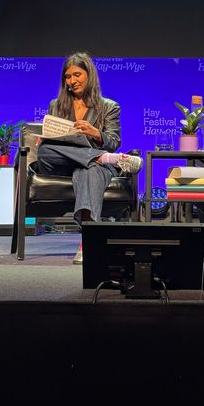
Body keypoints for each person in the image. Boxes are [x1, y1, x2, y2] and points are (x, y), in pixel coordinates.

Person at [36, 52, 142, 265]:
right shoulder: (56, 105)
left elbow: (114, 141)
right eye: (68, 76)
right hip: (63, 163)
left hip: (95, 168)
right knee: (44, 150)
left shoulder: (109, 106)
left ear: (89, 75)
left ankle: (87, 242)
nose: (72, 81)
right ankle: (106, 158)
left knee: (88, 170)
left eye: (77, 75)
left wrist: (95, 133)